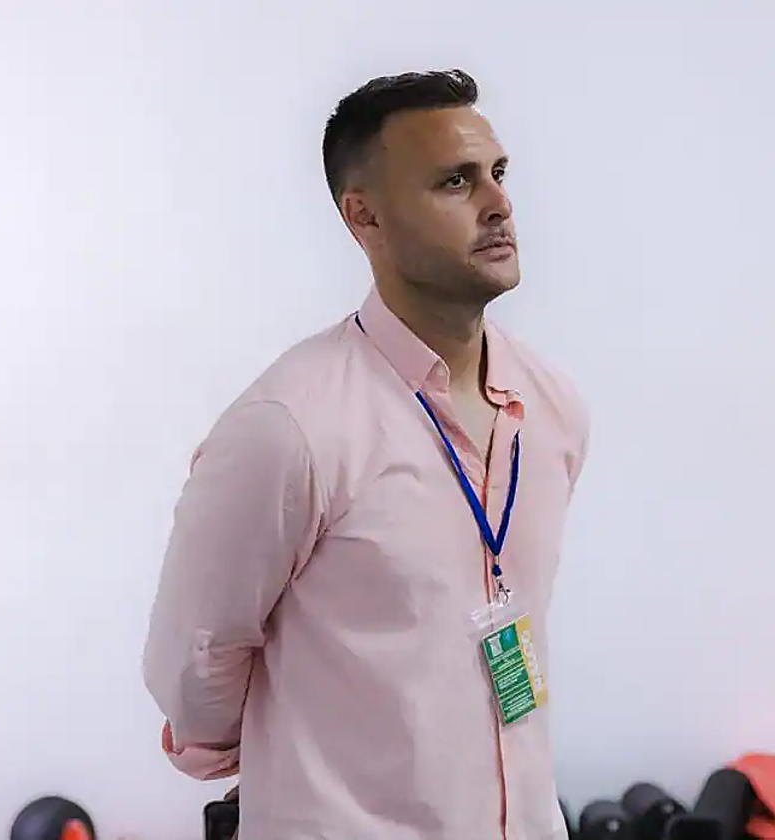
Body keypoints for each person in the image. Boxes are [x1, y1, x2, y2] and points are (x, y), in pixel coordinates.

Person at [142, 69, 590, 839]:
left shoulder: (551, 405)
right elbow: (194, 670)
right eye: (455, 181)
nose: (499, 204)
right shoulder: (289, 428)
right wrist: (290, 755)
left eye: (499, 172)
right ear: (364, 216)